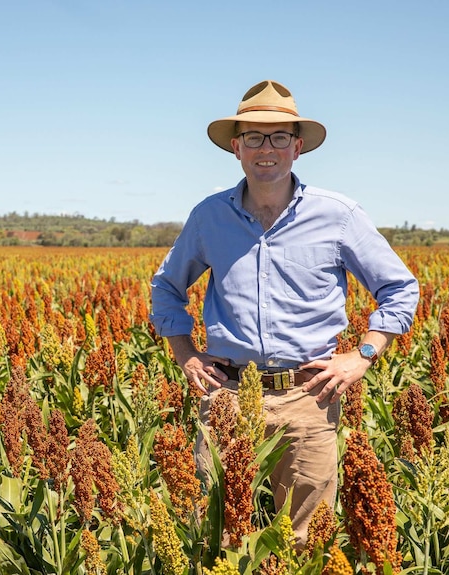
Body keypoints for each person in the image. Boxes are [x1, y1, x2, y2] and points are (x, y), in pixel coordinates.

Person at [149, 80, 419, 547]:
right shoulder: (209, 216)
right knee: (216, 535)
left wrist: (364, 355)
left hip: (306, 400)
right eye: (254, 137)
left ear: (297, 147)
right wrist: (185, 354)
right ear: (236, 148)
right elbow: (166, 287)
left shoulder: (338, 215)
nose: (266, 148)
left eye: (278, 138)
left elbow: (399, 288)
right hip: (228, 395)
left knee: (307, 542)